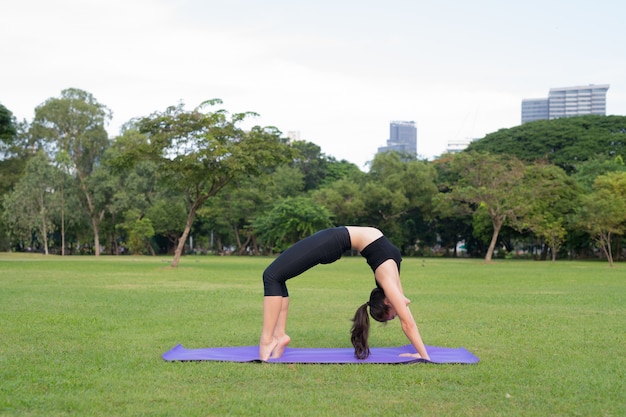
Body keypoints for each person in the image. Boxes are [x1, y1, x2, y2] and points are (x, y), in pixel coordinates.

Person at [259, 226, 430, 361]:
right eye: (393, 316)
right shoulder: (389, 282)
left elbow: (407, 319)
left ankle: (271, 339)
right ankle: (276, 337)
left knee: (272, 276)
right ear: (387, 302)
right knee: (275, 277)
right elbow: (408, 323)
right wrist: (423, 355)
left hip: (335, 240)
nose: (397, 315)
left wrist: (422, 354)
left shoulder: (389, 282)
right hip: (333, 240)